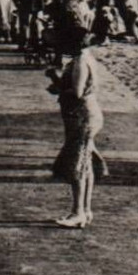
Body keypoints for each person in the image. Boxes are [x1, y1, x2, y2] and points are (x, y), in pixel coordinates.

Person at [50, 28, 105, 228]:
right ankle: (85, 210)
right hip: (90, 112)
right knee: (85, 163)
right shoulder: (87, 58)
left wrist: (56, 81)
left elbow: (78, 92)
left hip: (81, 115)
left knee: (77, 165)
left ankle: (77, 212)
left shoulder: (80, 62)